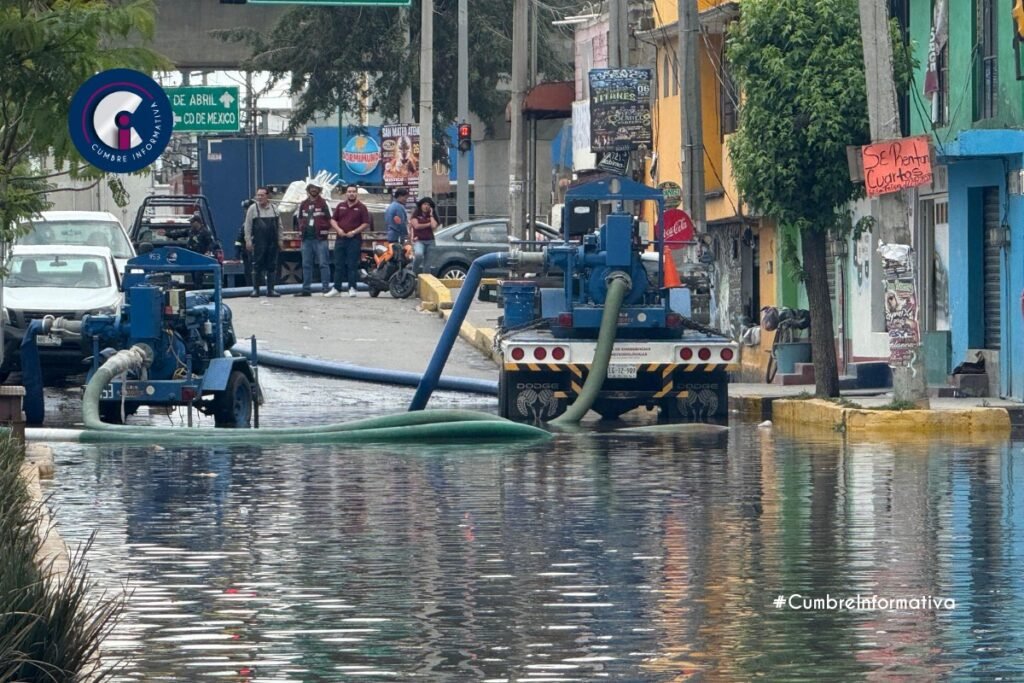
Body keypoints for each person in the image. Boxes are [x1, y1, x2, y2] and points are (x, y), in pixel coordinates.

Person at [327, 184, 370, 298]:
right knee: (338, 264)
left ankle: (352, 288)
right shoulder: (340, 206)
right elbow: (332, 220)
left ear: (357, 193)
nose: (351, 193)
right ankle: (337, 288)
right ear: (346, 193)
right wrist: (338, 229)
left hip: (354, 240)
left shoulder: (362, 207)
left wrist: (354, 232)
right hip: (340, 239)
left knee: (352, 265)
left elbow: (365, 223)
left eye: (353, 191)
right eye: (349, 191)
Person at [294, 181, 332, 297]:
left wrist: (323, 230)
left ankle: (326, 289)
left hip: (320, 239)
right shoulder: (303, 204)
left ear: (319, 190)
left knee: (323, 264)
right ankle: (306, 290)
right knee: (306, 264)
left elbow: (330, 219)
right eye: (312, 188)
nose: (314, 190)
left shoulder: (324, 204)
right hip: (306, 239)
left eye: (316, 188)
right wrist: (301, 231)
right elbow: (300, 218)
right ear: (308, 189)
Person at [244, 188, 281, 298]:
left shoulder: (274, 209)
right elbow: (248, 225)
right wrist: (248, 240)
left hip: (272, 242)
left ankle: (271, 290)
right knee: (257, 265)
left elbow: (280, 226)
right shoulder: (252, 209)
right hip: (259, 242)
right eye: (258, 195)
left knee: (272, 265)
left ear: (267, 196)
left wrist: (280, 240)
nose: (259, 197)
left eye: (261, 195)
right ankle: (256, 290)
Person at [410, 196, 438, 270]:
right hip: (419, 240)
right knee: (419, 255)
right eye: (425, 204)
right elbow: (416, 226)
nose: (426, 206)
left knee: (428, 264)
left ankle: (425, 277)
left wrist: (431, 215)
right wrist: (429, 224)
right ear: (421, 205)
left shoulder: (431, 215)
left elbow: (434, 226)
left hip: (430, 241)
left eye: (428, 205)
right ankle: (413, 271)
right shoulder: (416, 214)